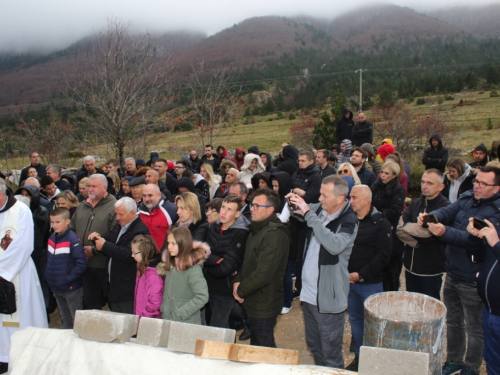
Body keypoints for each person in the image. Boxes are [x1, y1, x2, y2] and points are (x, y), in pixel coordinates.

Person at [421, 165, 500, 375]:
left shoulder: (495, 212)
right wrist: (433, 217)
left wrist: (444, 232)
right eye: (477, 181)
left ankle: (472, 367)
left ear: (497, 187)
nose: (478, 186)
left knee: (474, 327)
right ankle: (454, 360)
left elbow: (471, 239)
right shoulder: (467, 198)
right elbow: (449, 211)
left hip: (473, 277)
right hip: (453, 271)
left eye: (484, 184)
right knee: (453, 321)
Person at [287, 175, 358, 368]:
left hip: (328, 299)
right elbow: (301, 214)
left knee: (331, 353)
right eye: (320, 194)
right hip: (309, 295)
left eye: (324, 195)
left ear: (340, 198)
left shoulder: (349, 221)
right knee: (314, 346)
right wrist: (293, 204)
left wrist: (308, 214)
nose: (319, 199)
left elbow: (334, 245)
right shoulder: (320, 209)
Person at [0, 179, 48, 371]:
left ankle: (27, 354)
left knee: (22, 314)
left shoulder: (21, 210)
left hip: (18, 272)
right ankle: (3, 356)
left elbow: (24, 245)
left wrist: (3, 272)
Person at [233, 189, 289, 347]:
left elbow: (264, 273)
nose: (252, 209)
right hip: (253, 299)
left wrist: (241, 290)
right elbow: (246, 261)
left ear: (270, 210)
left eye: (257, 206)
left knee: (262, 351)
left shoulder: (274, 235)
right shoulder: (257, 229)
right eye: (252, 205)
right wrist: (237, 281)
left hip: (263, 303)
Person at [345, 185, 391, 371]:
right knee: (355, 321)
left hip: (369, 284)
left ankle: (375, 362)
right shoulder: (349, 220)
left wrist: (361, 275)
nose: (351, 201)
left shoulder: (380, 223)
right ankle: (359, 358)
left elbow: (383, 255)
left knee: (374, 324)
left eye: (354, 197)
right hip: (349, 282)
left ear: (366, 200)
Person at [88, 197, 150, 314]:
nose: (117, 218)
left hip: (127, 290)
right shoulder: (120, 225)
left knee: (126, 323)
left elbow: (128, 254)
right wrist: (98, 239)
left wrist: (104, 245)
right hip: (114, 287)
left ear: (132, 213)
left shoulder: (140, 231)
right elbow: (112, 240)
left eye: (120, 214)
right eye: (116, 214)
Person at [400, 169, 450, 300]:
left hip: (431, 269)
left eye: (429, 183)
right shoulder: (416, 203)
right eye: (422, 182)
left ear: (441, 187)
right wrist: (414, 234)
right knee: (412, 305)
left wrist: (409, 228)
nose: (424, 186)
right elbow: (400, 227)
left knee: (429, 307)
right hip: (410, 266)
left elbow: (429, 236)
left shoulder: (445, 208)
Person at [71, 174, 117, 310]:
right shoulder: (82, 206)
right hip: (82, 263)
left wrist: (95, 250)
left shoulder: (113, 207)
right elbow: (72, 228)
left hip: (103, 264)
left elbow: (114, 236)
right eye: (89, 186)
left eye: (94, 186)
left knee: (111, 303)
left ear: (104, 188)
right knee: (89, 303)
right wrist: (76, 247)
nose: (90, 189)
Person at [205, 194, 249, 328]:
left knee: (217, 330)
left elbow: (227, 268)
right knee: (218, 327)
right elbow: (203, 254)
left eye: (229, 209)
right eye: (223, 207)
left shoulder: (241, 234)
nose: (223, 212)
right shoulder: (214, 227)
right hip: (208, 286)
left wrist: (211, 261)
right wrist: (217, 260)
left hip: (225, 290)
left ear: (237, 214)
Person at [467, 216, 500, 375]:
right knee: (492, 363)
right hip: (490, 310)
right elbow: (478, 258)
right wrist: (474, 238)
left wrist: (496, 244)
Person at [46, 208, 88, 329]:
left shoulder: (73, 240)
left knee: (76, 321)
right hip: (56, 287)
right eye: (52, 222)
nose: (54, 225)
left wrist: (67, 279)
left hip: (71, 289)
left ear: (67, 221)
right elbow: (49, 261)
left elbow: (82, 263)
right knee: (65, 319)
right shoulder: (51, 238)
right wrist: (49, 277)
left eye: (57, 222)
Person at [159, 227, 209, 324]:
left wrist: (181, 312)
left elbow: (202, 297)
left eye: (173, 243)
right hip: (168, 320)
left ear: (183, 243)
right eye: (168, 243)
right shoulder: (171, 265)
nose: (169, 247)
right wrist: (164, 309)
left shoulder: (193, 269)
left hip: (186, 323)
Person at [371, 162, 405, 292]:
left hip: (390, 228)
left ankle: (392, 291)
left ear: (394, 175)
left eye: (387, 173)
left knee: (391, 266)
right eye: (382, 172)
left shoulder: (398, 189)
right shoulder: (376, 185)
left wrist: (378, 213)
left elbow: (395, 211)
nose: (383, 176)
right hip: (376, 226)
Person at [131, 234, 164, 320]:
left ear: (144, 252)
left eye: (135, 253)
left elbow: (155, 303)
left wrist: (143, 318)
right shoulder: (142, 270)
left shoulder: (153, 275)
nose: (132, 255)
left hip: (148, 323)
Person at [138, 184, 178, 251]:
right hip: (143, 256)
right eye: (144, 196)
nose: (147, 199)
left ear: (159, 195)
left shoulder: (171, 210)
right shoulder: (138, 213)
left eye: (150, 195)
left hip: (165, 256)